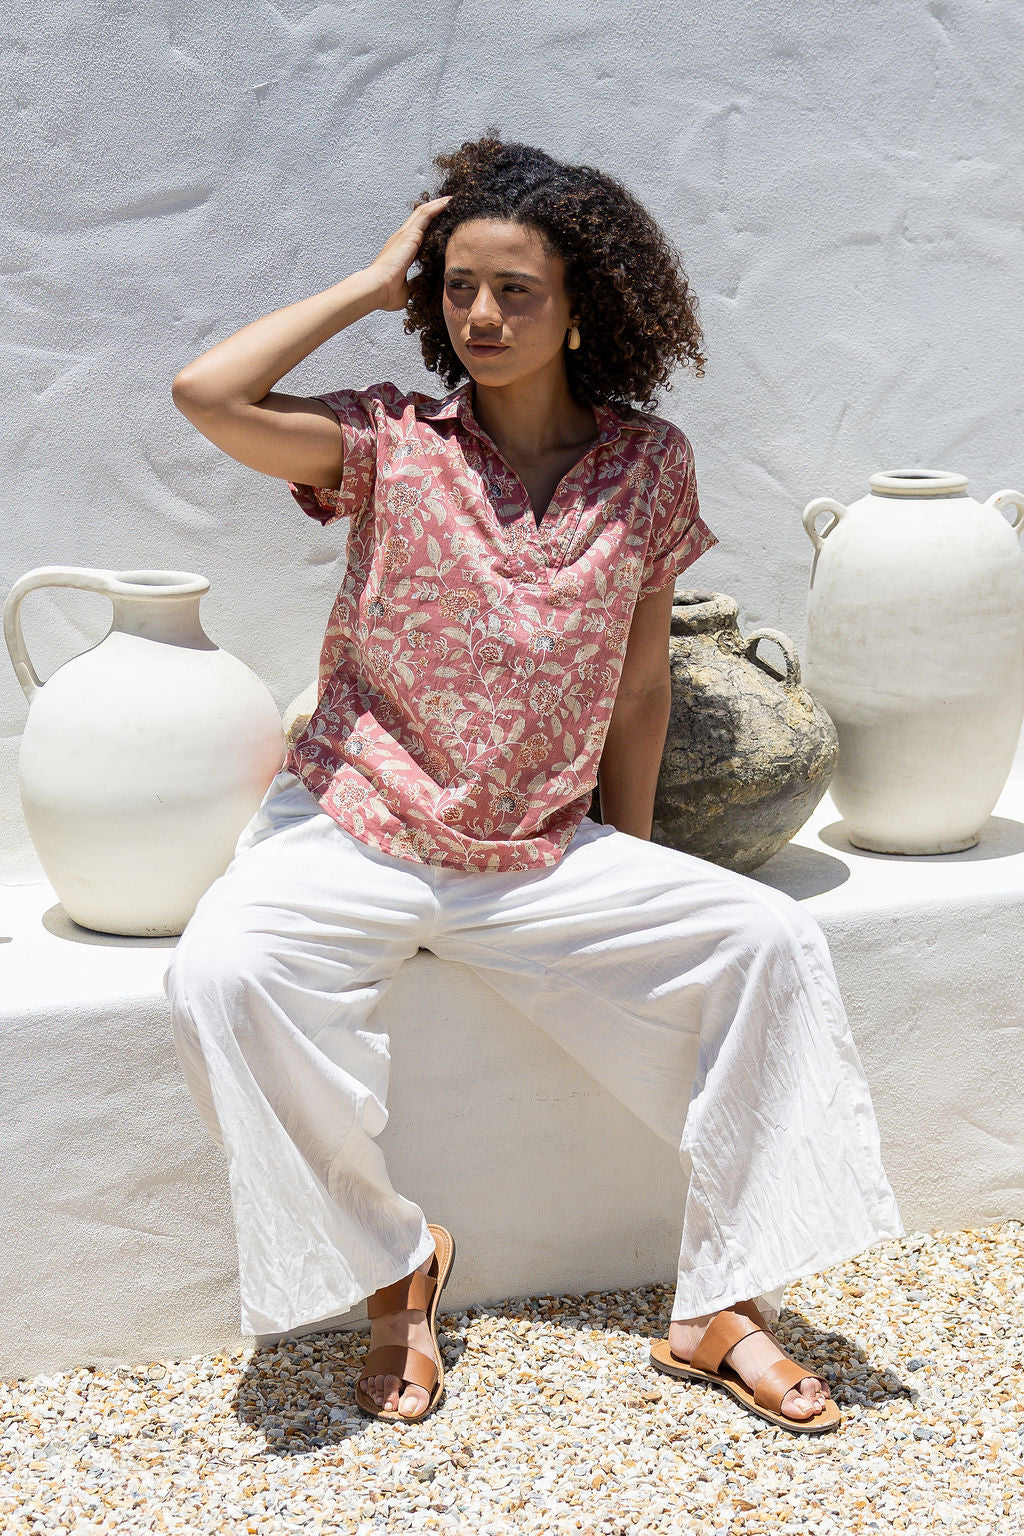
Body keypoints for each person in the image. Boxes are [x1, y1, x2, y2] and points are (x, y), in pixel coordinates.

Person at [166, 136, 903, 1435]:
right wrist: (368, 277)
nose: (483, 316)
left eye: (516, 290)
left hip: (538, 852)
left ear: (582, 310)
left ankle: (716, 1303)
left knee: (769, 945)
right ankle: (397, 1261)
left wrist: (634, 865)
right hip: (348, 827)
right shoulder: (391, 442)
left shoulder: (648, 467)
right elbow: (204, 395)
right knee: (223, 976)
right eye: (456, 288)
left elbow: (638, 685)